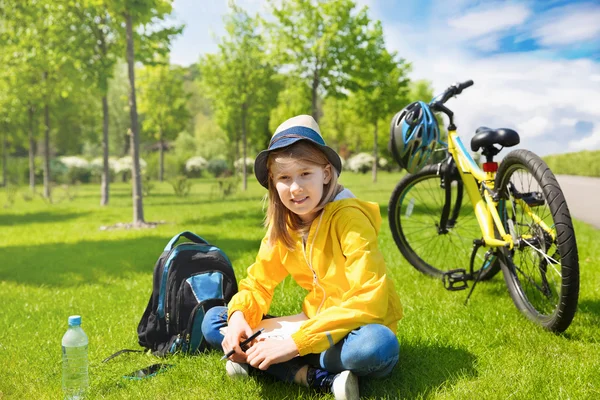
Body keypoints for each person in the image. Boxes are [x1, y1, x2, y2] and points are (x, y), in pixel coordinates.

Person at [201, 115, 403, 400]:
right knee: (215, 321)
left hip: (355, 327)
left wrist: (296, 343)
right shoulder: (285, 224)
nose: (295, 188)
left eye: (305, 173)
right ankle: (312, 376)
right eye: (284, 177)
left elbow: (369, 298)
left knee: (376, 346)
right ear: (273, 181)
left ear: (326, 173)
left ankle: (267, 361)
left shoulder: (349, 218)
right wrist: (237, 319)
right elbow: (258, 283)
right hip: (312, 324)